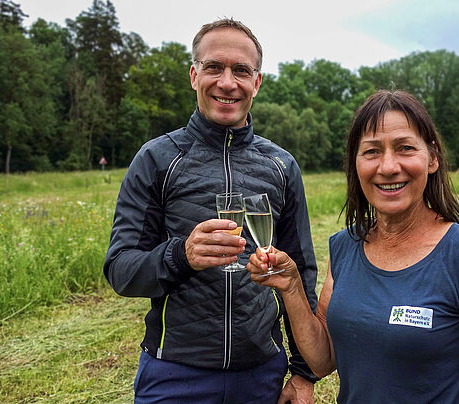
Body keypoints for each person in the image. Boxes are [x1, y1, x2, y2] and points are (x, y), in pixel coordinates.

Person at [248, 90, 459, 403]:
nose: (389, 167)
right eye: (372, 151)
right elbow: (323, 359)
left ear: (432, 157)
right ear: (356, 163)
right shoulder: (345, 246)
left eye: (405, 148)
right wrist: (293, 287)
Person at [104, 18, 319, 403]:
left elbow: (300, 274)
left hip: (261, 374)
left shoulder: (281, 166)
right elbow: (121, 269)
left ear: (256, 82)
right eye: (214, 67)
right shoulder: (157, 159)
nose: (227, 82)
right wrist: (181, 255)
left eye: (241, 70)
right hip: (174, 373)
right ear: (193, 75)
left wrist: (303, 374)